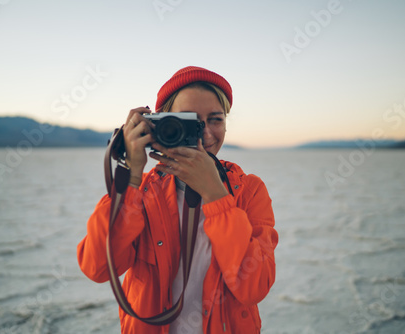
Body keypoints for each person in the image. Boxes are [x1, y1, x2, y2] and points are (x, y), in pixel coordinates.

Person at [77, 66, 278, 333]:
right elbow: (98, 267)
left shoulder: (248, 191)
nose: (204, 133)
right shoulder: (143, 192)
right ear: (159, 127)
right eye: (189, 121)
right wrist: (132, 176)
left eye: (215, 120)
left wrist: (216, 196)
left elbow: (254, 287)